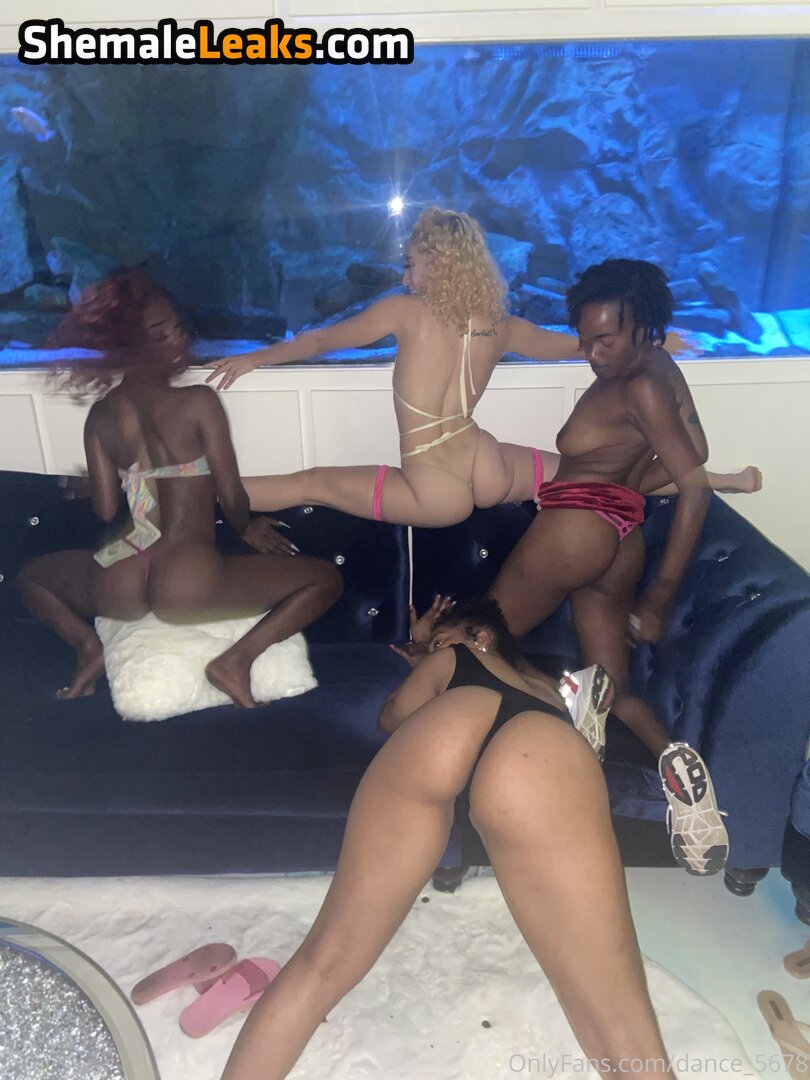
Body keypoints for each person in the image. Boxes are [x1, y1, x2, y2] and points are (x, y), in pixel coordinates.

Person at [219, 598, 675, 1080]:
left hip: (451, 724)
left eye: (442, 639)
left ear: (481, 638)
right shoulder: (552, 690)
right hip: (542, 747)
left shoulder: (455, 658)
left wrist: (426, 661)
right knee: (619, 1022)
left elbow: (393, 717)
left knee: (322, 964)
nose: (434, 648)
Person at [413, 259, 730, 877]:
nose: (592, 354)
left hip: (575, 530)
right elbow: (696, 450)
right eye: (585, 340)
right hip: (619, 537)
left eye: (605, 339)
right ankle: (681, 778)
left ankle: (473, 746)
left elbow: (695, 487)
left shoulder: (635, 385)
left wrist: (662, 594)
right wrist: (625, 489)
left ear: (644, 326)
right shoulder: (661, 370)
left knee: (475, 645)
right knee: (614, 689)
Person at [205, 207, 760, 526]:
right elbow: (575, 345)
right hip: (488, 462)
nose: (405, 275)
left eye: (411, 262)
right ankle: (723, 479)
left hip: (433, 485)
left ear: (438, 262)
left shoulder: (402, 313)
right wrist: (656, 338)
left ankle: (197, 494)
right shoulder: (501, 324)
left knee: (311, 483)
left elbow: (322, 339)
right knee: (602, 475)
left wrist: (256, 356)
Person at [16, 269, 343, 708]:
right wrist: (244, 527)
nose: (179, 338)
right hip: (185, 574)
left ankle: (87, 645)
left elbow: (106, 510)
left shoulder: (101, 416)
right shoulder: (197, 402)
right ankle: (236, 661)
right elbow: (231, 495)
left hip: (120, 573)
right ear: (133, 344)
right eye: (162, 332)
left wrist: (102, 482)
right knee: (326, 579)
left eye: (177, 326)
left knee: (31, 578)